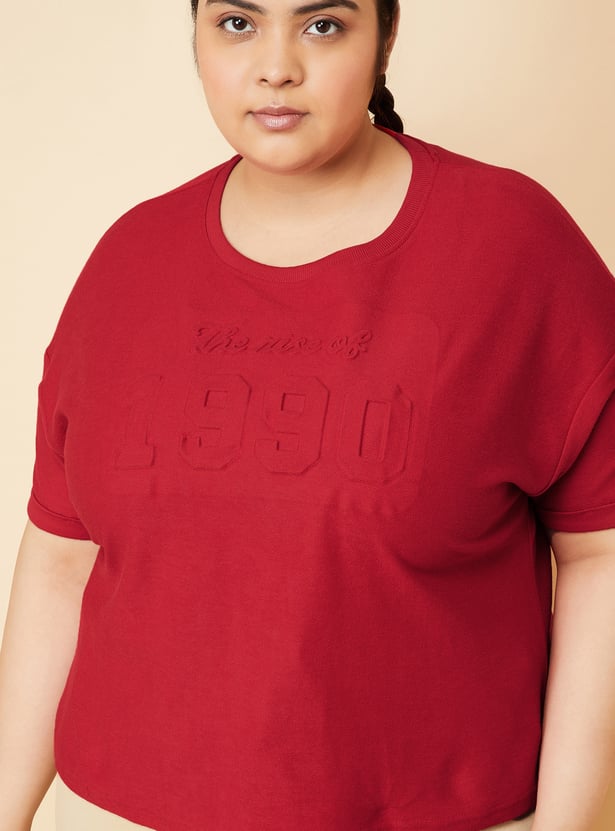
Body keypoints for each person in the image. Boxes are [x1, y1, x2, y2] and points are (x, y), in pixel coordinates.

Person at [1, 0, 615, 829]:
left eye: (322, 24)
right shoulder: (129, 258)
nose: (275, 67)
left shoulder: (515, 246)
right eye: (237, 23)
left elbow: (601, 556)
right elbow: (60, 559)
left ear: (385, 36)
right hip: (112, 808)